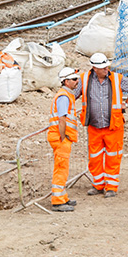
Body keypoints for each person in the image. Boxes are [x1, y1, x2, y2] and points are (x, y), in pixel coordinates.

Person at [79, 53, 128, 198]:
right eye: (102, 67)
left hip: (113, 125)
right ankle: (98, 185)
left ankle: (111, 187)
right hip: (94, 126)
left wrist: (127, 104)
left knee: (113, 157)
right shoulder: (85, 79)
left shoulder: (117, 79)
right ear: (94, 68)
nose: (106, 69)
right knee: (95, 157)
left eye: (106, 66)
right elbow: (71, 94)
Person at [47, 67, 81, 211]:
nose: (77, 81)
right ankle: (58, 200)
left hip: (63, 137)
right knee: (61, 169)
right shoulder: (63, 97)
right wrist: (62, 137)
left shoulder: (66, 95)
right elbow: (62, 118)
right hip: (61, 138)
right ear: (66, 81)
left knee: (63, 169)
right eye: (74, 79)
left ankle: (63, 196)